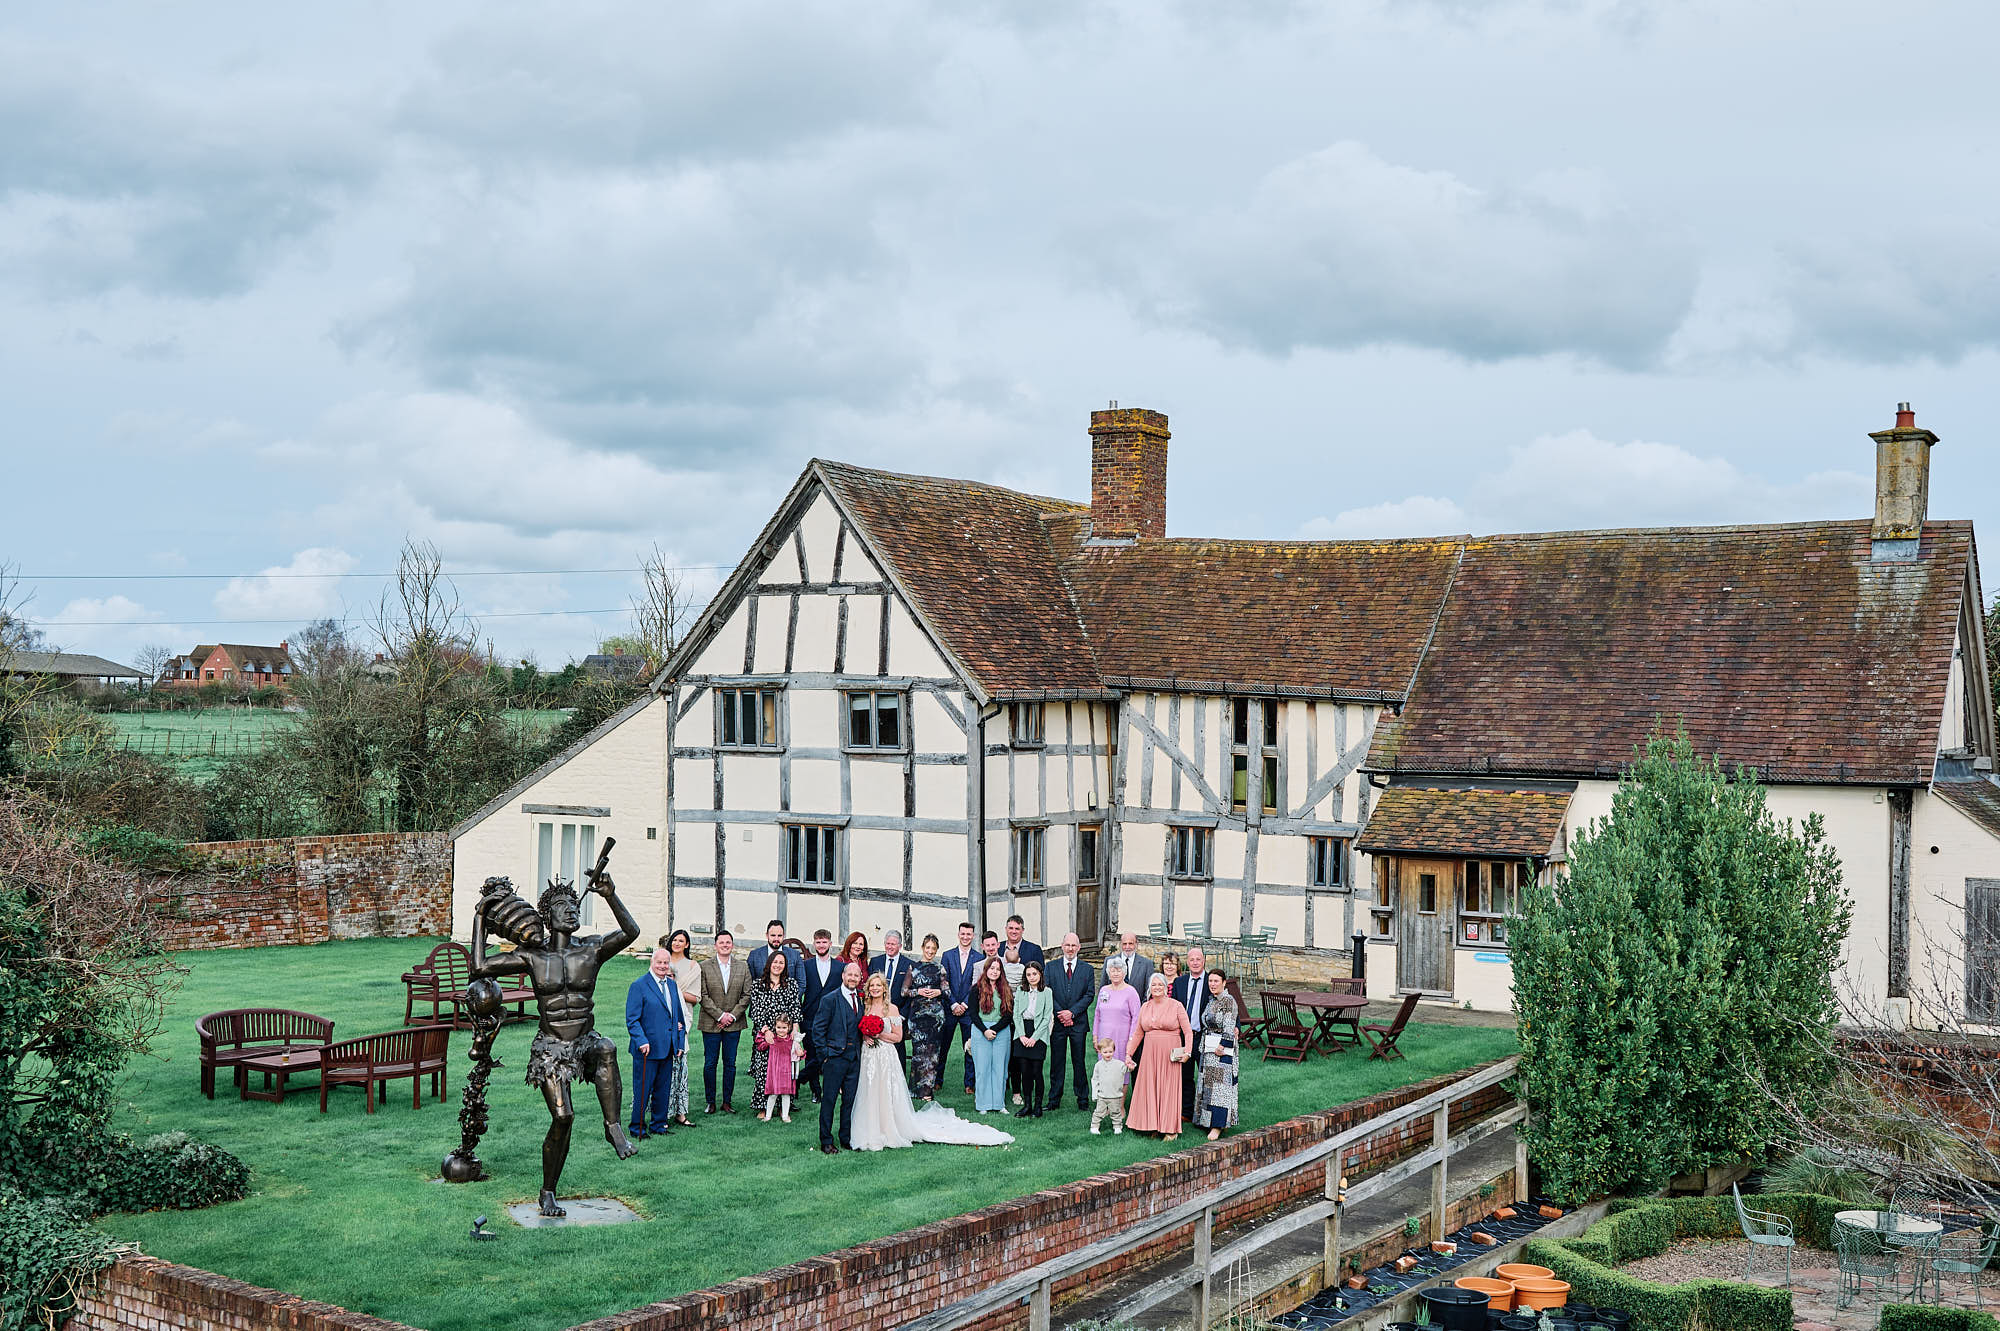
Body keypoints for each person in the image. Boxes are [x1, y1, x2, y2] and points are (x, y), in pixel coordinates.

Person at [850, 972, 1016, 1151]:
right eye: (872, 985)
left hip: (885, 1056)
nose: (875, 988)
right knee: (869, 1089)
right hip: (868, 1055)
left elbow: (898, 1037)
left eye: (878, 985)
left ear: (884, 989)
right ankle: (869, 1127)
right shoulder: (864, 1007)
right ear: (868, 989)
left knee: (885, 1090)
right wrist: (866, 1034)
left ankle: (888, 1127)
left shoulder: (892, 1009)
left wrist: (878, 1034)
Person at [623, 947, 685, 1140]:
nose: (663, 966)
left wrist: (679, 1043)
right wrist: (641, 1041)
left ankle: (659, 1124)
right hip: (647, 1049)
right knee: (643, 1090)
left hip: (668, 1047)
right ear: (652, 962)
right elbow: (632, 1019)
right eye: (659, 962)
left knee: (662, 1089)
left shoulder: (672, 985)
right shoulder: (639, 986)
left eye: (666, 963)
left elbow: (678, 1017)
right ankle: (638, 1128)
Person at [1125, 972, 1193, 1139]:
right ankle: (1153, 1124)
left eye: (1160, 985)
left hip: (1170, 1054)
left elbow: (1188, 1032)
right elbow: (1138, 1033)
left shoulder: (1176, 1005)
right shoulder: (1145, 1007)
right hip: (1149, 1054)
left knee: (1168, 1089)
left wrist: (1188, 1052)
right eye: (1153, 985)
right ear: (1150, 988)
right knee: (1152, 1088)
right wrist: (1128, 1054)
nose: (1157, 988)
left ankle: (1170, 1129)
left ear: (1165, 987)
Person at [813, 962, 866, 1153]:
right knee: (829, 1101)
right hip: (834, 1059)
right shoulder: (830, 999)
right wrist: (825, 1057)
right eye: (849, 974)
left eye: (856, 975)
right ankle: (826, 1140)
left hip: (854, 1059)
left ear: (860, 979)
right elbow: (818, 1030)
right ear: (843, 976)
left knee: (849, 1101)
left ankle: (846, 1138)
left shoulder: (860, 1000)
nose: (852, 978)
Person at [697, 929, 750, 1113]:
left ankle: (727, 1101)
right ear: (716, 945)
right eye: (722, 942)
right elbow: (702, 995)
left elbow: (747, 994)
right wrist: (720, 1016)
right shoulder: (704, 966)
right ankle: (710, 1101)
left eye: (728, 942)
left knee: (730, 1064)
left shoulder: (742, 967)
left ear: (732, 945)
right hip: (711, 1023)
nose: (725, 945)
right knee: (710, 1063)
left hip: (734, 1024)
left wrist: (731, 1016)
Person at [746, 947, 802, 1116]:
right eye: (775, 962)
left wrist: (795, 1031)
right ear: (769, 964)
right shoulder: (758, 985)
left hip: (785, 1035)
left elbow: (795, 1008)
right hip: (767, 1036)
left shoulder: (791, 984)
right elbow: (755, 1010)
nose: (778, 965)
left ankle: (783, 1106)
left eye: (781, 963)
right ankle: (763, 1106)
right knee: (765, 1070)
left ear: (785, 966)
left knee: (784, 1071)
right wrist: (766, 1031)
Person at [1044, 933, 1094, 1111]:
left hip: (1078, 1023)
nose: (1070, 948)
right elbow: (1047, 991)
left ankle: (1082, 1099)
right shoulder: (1050, 967)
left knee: (1079, 1061)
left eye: (1074, 945)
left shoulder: (1087, 969)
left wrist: (1071, 1013)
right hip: (1057, 1023)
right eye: (1067, 945)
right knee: (1057, 1062)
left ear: (1079, 947)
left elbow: (1089, 995)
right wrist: (1061, 1014)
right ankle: (1054, 1099)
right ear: (1062, 946)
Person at [660, 929, 702, 1128]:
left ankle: (680, 1112)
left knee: (680, 1065)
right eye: (674, 940)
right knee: (663, 1066)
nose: (677, 943)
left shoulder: (693, 966)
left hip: (682, 1018)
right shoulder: (662, 961)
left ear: (687, 944)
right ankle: (662, 1112)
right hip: (661, 1020)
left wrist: (674, 988)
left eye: (681, 940)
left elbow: (695, 998)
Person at [1193, 968, 1240, 1140]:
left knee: (1220, 1089)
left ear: (1224, 983)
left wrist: (1223, 1045)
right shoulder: (1211, 1000)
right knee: (1208, 1087)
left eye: (1216, 981)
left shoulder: (1228, 1001)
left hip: (1222, 1051)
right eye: (1210, 981)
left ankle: (1218, 1124)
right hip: (1208, 1049)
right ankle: (1206, 1121)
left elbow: (1229, 1025)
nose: (1212, 984)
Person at [905, 934, 949, 1102]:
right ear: (923, 948)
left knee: (932, 1054)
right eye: (927, 948)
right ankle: (915, 1090)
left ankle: (927, 1091)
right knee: (918, 1053)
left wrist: (938, 992)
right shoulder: (913, 968)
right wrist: (919, 992)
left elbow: (948, 992)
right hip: (917, 1017)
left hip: (935, 1018)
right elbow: (904, 991)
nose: (930, 951)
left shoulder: (940, 969)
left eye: (933, 949)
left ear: (936, 950)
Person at [798, 928, 840, 1102]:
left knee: (826, 1055)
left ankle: (799, 1079)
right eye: (818, 942)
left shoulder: (840, 967)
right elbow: (800, 989)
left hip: (831, 1018)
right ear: (813, 944)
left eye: (824, 942)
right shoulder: (805, 965)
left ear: (830, 943)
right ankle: (816, 1090)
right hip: (809, 1017)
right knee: (811, 1055)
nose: (821, 945)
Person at [1172, 946, 1212, 1123]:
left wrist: (1236, 1026)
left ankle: (1207, 1114)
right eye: (1192, 960)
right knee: (1185, 1076)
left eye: (1198, 959)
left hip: (1204, 1036)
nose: (1195, 962)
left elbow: (1226, 1001)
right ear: (1187, 962)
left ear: (1204, 961)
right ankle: (1186, 1112)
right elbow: (1173, 1007)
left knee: (1207, 1076)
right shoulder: (1180, 982)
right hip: (1184, 1037)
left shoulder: (1212, 981)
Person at [969, 957, 1013, 1114]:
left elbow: (1008, 1014)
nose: (994, 971)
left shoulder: (1006, 989)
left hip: (1001, 1031)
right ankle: (983, 1104)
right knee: (982, 1068)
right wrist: (985, 1030)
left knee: (1000, 1068)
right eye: (992, 968)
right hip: (981, 1031)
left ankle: (999, 1103)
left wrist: (995, 1029)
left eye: (997, 969)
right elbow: (973, 1013)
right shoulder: (976, 989)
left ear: (1001, 972)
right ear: (986, 970)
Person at [941, 922, 980, 1096]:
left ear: (973, 936)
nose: (965, 937)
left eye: (969, 934)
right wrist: (953, 1003)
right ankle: (937, 1080)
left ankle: (969, 1083)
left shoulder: (979, 957)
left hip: (968, 1009)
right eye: (963, 933)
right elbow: (944, 981)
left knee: (970, 1047)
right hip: (949, 1007)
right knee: (943, 1046)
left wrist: (964, 1004)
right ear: (958, 934)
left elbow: (976, 984)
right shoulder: (947, 956)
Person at [1011, 961, 1052, 1119]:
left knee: (1036, 1071)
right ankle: (1027, 1105)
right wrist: (1021, 1035)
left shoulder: (1047, 992)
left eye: (1034, 974)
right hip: (1022, 1031)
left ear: (1040, 974)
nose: (1031, 977)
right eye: (1028, 974)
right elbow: (1016, 1015)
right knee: (1025, 1071)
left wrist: (1034, 1038)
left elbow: (1047, 1017)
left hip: (1039, 1033)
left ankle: (1037, 1105)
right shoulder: (1021, 991)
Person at [868, 930, 914, 1074]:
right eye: (887, 943)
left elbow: (910, 994)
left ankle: (898, 1078)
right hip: (877, 1011)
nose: (890, 947)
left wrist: (902, 1015)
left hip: (897, 1014)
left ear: (900, 946)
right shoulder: (875, 961)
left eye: (893, 944)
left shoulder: (908, 964)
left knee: (897, 1045)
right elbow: (871, 987)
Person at [1093, 957, 1142, 1082]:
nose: (1115, 973)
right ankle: (1104, 1100)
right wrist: (1095, 1036)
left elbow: (1136, 1017)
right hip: (1104, 1037)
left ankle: (1119, 1102)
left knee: (1121, 1071)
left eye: (1118, 970)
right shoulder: (1104, 990)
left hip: (1122, 1038)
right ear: (1108, 973)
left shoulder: (1131, 992)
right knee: (1104, 1070)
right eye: (1112, 970)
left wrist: (1131, 1039)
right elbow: (1097, 1014)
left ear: (1124, 972)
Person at [761, 1015, 803, 1123]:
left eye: (784, 1028)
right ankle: (768, 1115)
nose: (781, 1030)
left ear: (789, 1028)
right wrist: (762, 1033)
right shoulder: (772, 1039)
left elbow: (798, 1054)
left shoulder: (792, 1041)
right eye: (778, 1027)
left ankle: (785, 1115)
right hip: (774, 1072)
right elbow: (760, 1046)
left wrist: (800, 1053)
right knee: (773, 1094)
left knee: (786, 1094)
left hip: (787, 1072)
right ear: (774, 1027)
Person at [746, 919, 803, 988]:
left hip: (789, 997)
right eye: (773, 935)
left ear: (783, 936)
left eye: (779, 935)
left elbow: (801, 984)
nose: (776, 939)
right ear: (767, 935)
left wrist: (791, 998)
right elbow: (749, 983)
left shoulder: (795, 955)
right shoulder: (754, 955)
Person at [1088, 1037, 1127, 1135]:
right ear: (1100, 1052)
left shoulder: (1119, 1064)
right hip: (1102, 1095)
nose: (1108, 1054)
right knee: (1099, 1112)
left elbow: (1127, 1069)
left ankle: (1117, 1127)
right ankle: (1094, 1127)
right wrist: (1095, 1094)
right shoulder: (1098, 1065)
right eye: (1105, 1052)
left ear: (1114, 1051)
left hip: (1115, 1094)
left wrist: (1131, 1065)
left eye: (1110, 1051)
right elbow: (1095, 1080)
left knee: (1116, 1112)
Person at [1106, 932, 1156, 997]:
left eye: (1130, 943)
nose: (1127, 947)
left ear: (1136, 944)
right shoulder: (1109, 961)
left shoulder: (1147, 964)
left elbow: (1148, 990)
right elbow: (1104, 986)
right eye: (1124, 944)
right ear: (1120, 944)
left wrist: (1142, 1006)